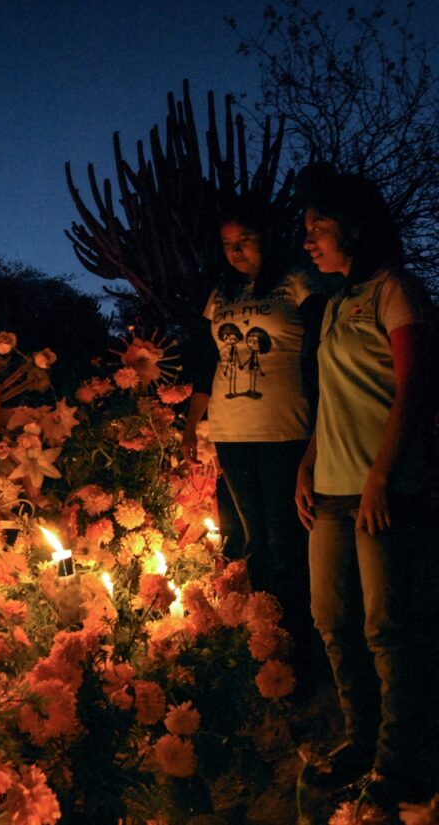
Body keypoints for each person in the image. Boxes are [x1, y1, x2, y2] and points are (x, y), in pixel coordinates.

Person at [295, 166, 434, 805]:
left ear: (354, 227)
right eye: (306, 231)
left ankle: (398, 763)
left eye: (318, 229)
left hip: (384, 489)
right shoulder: (330, 304)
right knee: (332, 620)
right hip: (329, 491)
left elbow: (414, 387)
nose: (308, 242)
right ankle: (361, 736)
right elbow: (334, 396)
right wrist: (308, 463)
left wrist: (381, 478)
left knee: (387, 629)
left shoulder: (394, 290)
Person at [183, 201, 330, 684]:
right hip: (232, 430)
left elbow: (323, 345)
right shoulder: (221, 294)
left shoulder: (297, 281)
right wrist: (192, 422)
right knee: (254, 543)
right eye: (227, 245)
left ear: (265, 238)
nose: (236, 251)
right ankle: (271, 648)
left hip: (284, 427)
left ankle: (309, 649)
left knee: (289, 541)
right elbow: (207, 360)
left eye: (244, 240)